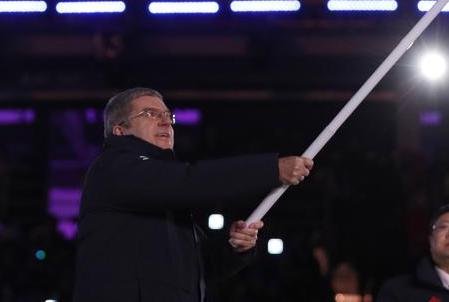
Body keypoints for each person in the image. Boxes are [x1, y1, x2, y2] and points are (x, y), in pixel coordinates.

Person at [72, 87, 314, 302]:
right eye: (150, 114)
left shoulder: (163, 195)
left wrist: (233, 248)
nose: (166, 122)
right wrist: (270, 170)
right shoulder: (114, 167)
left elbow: (199, 269)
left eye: (168, 116)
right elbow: (191, 180)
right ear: (119, 130)